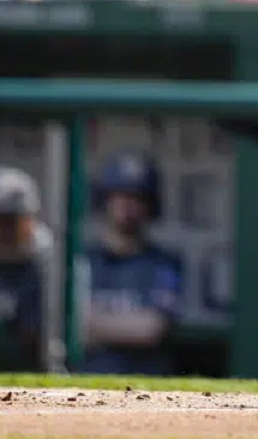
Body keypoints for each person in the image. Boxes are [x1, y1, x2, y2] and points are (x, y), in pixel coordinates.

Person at [79, 152, 182, 375]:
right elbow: (72, 327)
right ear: (105, 199)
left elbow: (152, 329)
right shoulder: (82, 261)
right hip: (87, 382)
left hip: (145, 386)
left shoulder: (164, 264)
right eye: (120, 196)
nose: (127, 206)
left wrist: (95, 326)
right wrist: (124, 325)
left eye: (137, 198)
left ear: (150, 205)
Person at [0, 166, 52, 372]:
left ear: (30, 222)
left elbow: (32, 337)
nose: (3, 231)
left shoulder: (45, 263)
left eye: (11, 222)